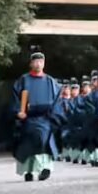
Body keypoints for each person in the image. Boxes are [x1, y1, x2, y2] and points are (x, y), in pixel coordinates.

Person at [11, 47, 63, 181]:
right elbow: (16, 98)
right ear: (31, 63)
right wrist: (19, 112)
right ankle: (28, 170)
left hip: (45, 118)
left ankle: (44, 169)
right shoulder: (23, 80)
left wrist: (54, 117)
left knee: (43, 141)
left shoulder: (51, 82)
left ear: (44, 63)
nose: (38, 64)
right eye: (35, 61)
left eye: (41, 61)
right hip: (28, 119)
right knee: (28, 143)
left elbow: (57, 101)